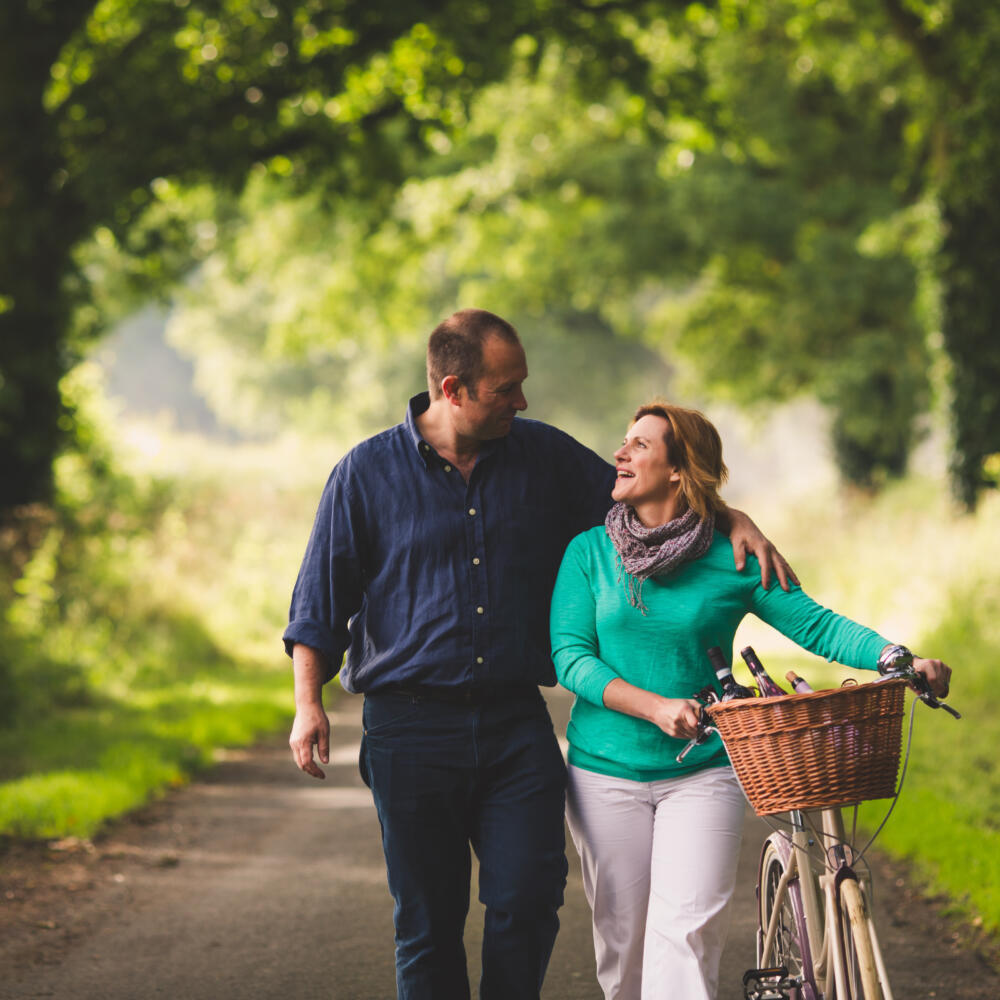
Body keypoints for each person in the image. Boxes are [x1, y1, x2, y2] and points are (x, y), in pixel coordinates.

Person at [283, 310, 795, 1000]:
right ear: (453, 388)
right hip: (408, 729)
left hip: (513, 725)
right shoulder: (365, 475)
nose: (522, 401)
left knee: (528, 899)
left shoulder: (545, 458)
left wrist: (732, 517)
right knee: (428, 924)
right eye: (506, 389)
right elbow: (320, 599)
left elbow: (652, 499)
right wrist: (307, 704)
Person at [549, 400, 952, 1000]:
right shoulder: (588, 553)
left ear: (680, 471)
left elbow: (818, 625)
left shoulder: (733, 554)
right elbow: (571, 657)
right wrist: (656, 706)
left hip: (704, 770)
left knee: (685, 933)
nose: (621, 452)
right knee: (624, 940)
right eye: (624, 441)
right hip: (604, 772)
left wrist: (899, 658)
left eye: (640, 445)